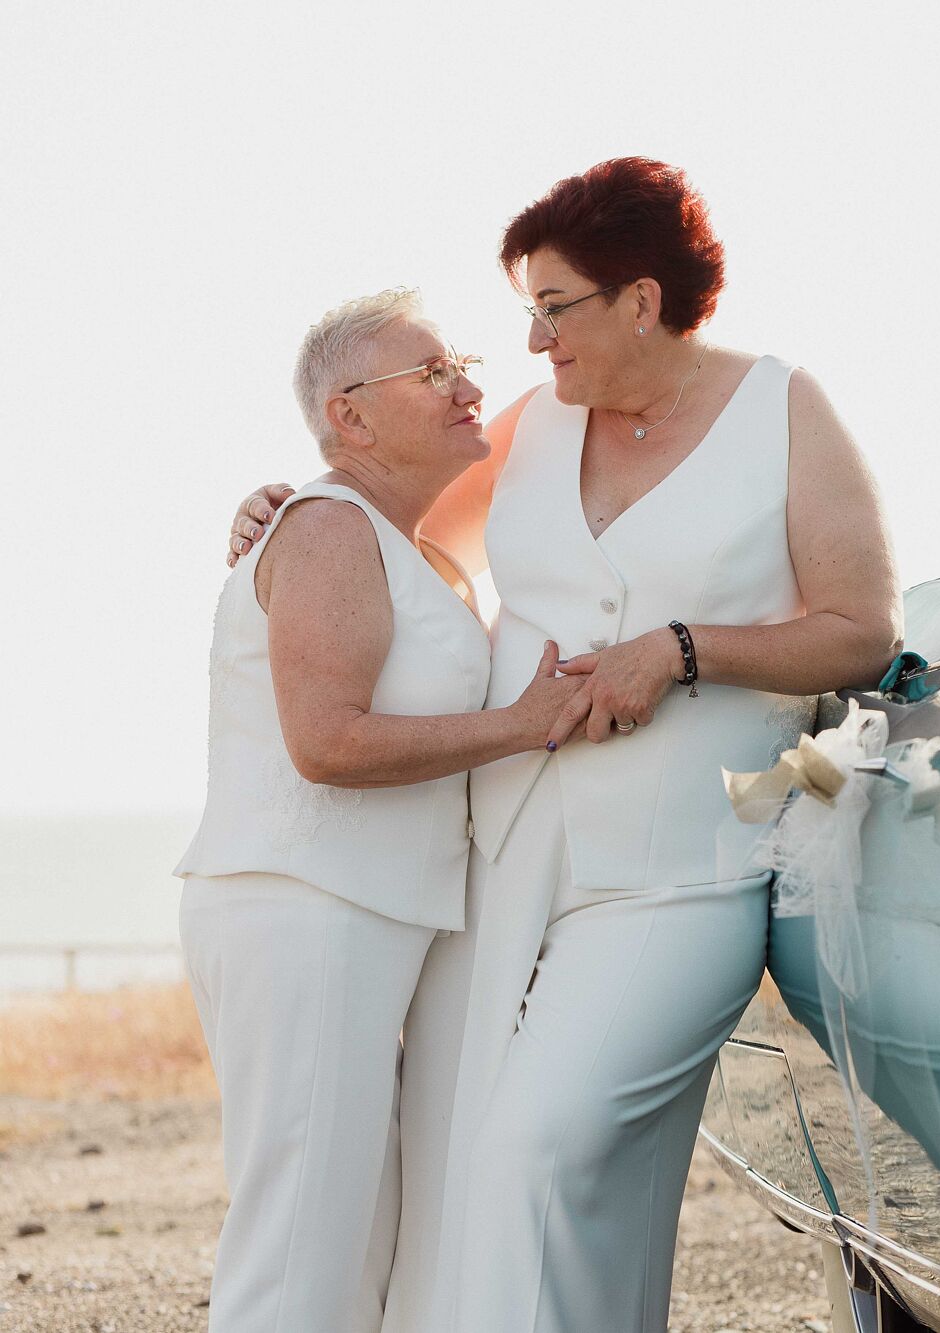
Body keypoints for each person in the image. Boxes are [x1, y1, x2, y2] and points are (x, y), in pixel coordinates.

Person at [229, 158, 902, 1332]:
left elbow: (858, 631)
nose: (531, 344)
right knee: (468, 1187)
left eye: (552, 308)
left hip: (679, 871)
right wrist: (280, 510)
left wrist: (683, 650)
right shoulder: (530, 430)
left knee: (540, 1155)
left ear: (639, 299)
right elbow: (379, 516)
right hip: (504, 870)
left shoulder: (784, 410)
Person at [179, 289, 586, 1332]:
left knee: (355, 1239)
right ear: (350, 417)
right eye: (434, 371)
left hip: (363, 915)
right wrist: (526, 723)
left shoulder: (397, 540)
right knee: (299, 1249)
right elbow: (328, 743)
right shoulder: (327, 527)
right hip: (303, 909)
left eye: (463, 363)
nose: (469, 386)